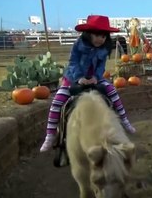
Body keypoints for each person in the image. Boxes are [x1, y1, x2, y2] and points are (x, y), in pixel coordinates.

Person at [39, 15, 136, 152]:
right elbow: (73, 62)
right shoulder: (78, 46)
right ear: (88, 34)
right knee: (57, 101)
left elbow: (101, 66)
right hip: (73, 78)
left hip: (95, 78)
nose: (100, 39)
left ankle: (124, 120)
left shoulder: (104, 49)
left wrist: (96, 77)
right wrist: (79, 78)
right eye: (97, 35)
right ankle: (50, 135)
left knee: (112, 92)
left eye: (103, 36)